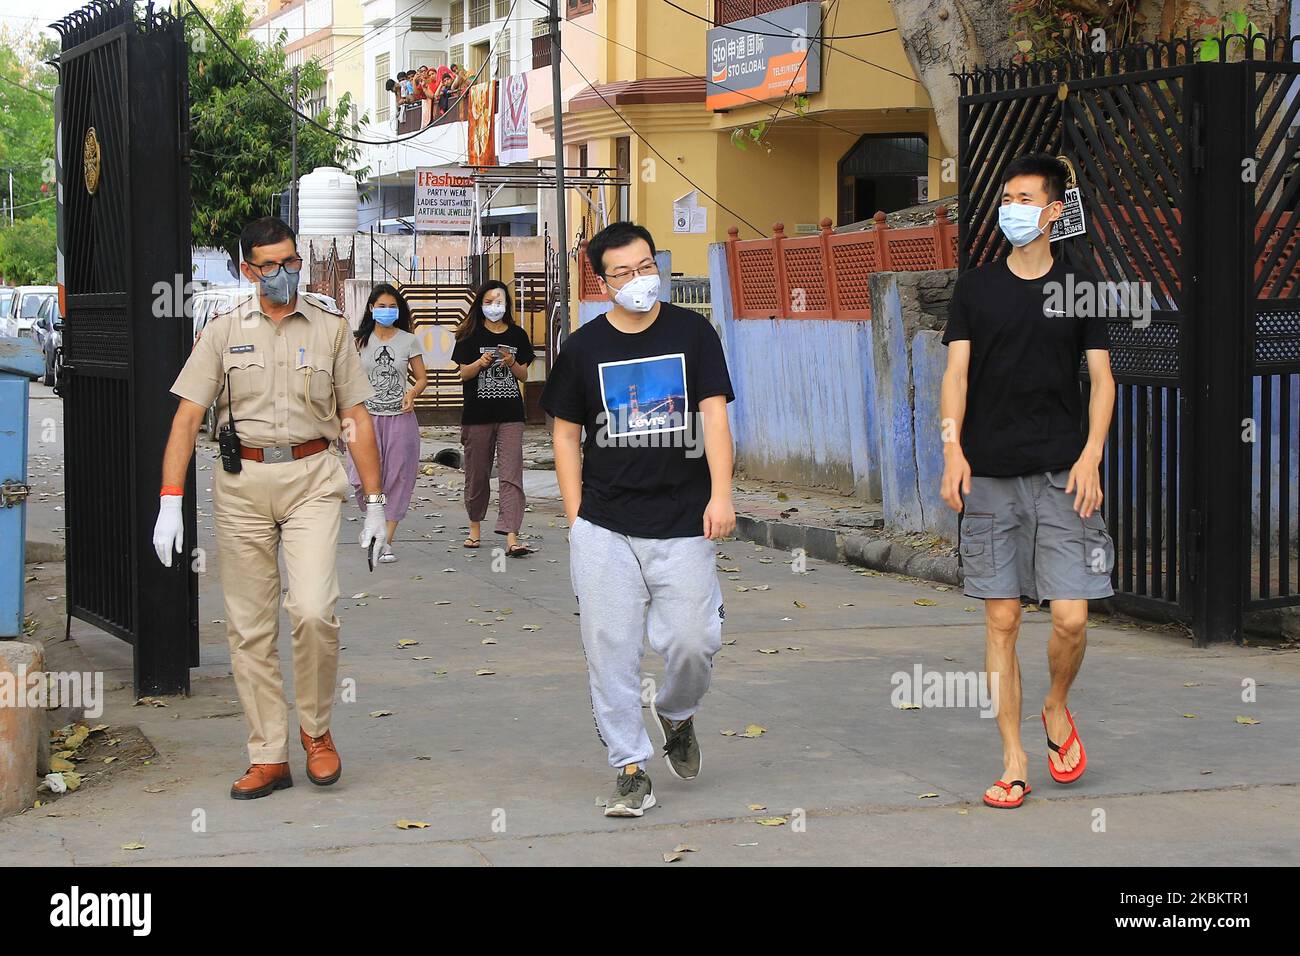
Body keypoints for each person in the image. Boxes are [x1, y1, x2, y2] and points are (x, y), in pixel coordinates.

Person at [152, 216, 387, 800]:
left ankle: (317, 732)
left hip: (312, 476)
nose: (284, 274)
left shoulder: (331, 328)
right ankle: (268, 754)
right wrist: (170, 501)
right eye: (270, 265)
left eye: (291, 262)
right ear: (245, 269)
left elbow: (355, 418)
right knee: (249, 626)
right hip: (242, 483)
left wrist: (376, 501)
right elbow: (185, 418)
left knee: (312, 609)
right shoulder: (222, 332)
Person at [540, 221, 736, 818]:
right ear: (602, 282)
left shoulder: (692, 333)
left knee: (694, 643)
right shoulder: (581, 349)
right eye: (622, 272)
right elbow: (565, 436)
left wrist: (722, 493)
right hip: (605, 523)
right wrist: (576, 518)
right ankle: (629, 766)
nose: (637, 279)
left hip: (683, 518)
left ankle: (676, 713)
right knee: (611, 649)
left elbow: (716, 419)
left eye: (645, 266)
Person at [939, 153, 1116, 810]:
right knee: (1004, 616)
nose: (1010, 207)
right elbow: (956, 375)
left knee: (1071, 617)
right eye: (1005, 196)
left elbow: (1102, 380)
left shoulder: (1082, 287)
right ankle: (1013, 758)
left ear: (1051, 213)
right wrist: (952, 449)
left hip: (1063, 475)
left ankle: (1057, 705)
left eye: (1023, 197)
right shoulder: (977, 288)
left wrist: (1093, 453)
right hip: (988, 474)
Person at [344, 284, 427, 563]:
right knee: (360, 478)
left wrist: (412, 393)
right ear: (371, 308)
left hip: (400, 420)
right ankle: (373, 522)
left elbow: (422, 378)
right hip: (365, 419)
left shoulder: (408, 340)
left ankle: (386, 540)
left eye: (392, 307)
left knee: (398, 478)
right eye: (381, 306)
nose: (387, 311)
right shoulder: (358, 341)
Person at [451, 281, 534, 557]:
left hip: (511, 414)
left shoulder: (518, 335)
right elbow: (463, 374)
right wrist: (480, 363)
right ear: (480, 304)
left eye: (499, 302)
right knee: (477, 473)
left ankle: (512, 535)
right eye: (489, 301)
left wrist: (510, 361)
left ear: (507, 304)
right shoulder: (469, 336)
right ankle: (474, 527)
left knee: (511, 474)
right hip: (477, 416)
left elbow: (524, 375)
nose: (494, 307)